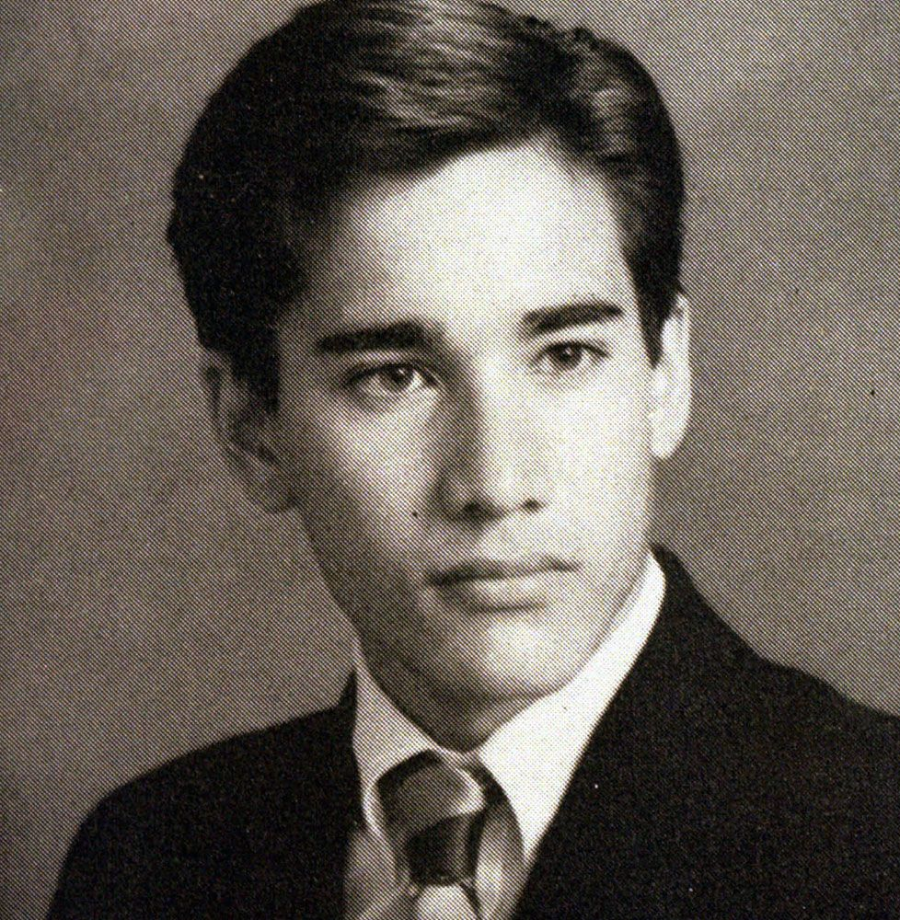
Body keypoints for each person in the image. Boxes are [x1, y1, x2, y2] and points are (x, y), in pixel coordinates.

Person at [48, 1, 900, 917]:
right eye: (395, 376)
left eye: (566, 356)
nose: (494, 484)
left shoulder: (873, 840)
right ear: (252, 427)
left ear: (666, 373)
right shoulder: (145, 862)